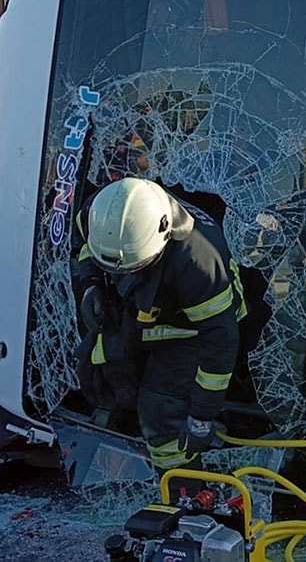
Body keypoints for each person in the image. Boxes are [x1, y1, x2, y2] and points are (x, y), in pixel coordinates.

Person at [76, 177, 245, 478]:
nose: (124, 273)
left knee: (159, 408)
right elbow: (86, 245)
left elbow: (220, 343)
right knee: (98, 369)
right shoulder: (105, 211)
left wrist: (201, 417)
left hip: (194, 330)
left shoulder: (199, 264)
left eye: (132, 267)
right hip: (147, 309)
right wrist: (91, 283)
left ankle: (181, 483)